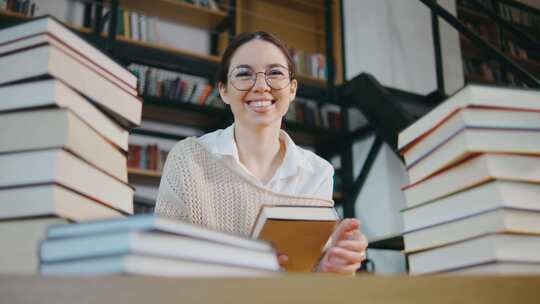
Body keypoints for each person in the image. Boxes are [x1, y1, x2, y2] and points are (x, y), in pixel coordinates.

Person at [155, 31, 368, 275]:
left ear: (292, 89)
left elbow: (310, 282)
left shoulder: (318, 172)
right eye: (244, 74)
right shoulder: (188, 159)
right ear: (223, 90)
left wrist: (333, 265)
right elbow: (162, 265)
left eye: (275, 73)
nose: (261, 86)